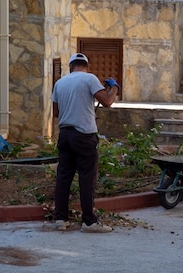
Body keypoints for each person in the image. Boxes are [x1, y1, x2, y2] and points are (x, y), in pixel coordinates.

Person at [45, 52, 119, 233]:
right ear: (87, 66)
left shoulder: (60, 83)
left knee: (63, 178)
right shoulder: (89, 79)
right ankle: (89, 222)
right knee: (87, 178)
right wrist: (114, 86)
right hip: (84, 136)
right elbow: (108, 101)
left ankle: (60, 220)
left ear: (71, 66)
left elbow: (56, 113)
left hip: (65, 135)